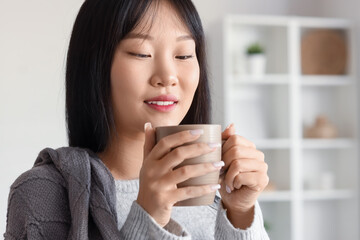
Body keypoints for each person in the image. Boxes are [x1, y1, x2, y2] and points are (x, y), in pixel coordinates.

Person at [4, 0, 270, 239]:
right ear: (95, 65)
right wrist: (148, 217)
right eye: (142, 53)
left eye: (184, 55)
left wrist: (241, 213)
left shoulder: (215, 196)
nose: (167, 76)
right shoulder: (42, 195)